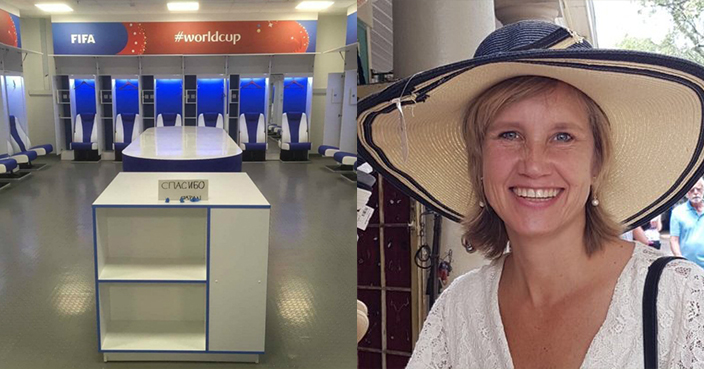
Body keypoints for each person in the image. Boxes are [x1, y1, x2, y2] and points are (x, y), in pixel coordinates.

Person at [358, 21, 704, 368]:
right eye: (509, 135)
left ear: (596, 163)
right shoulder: (457, 309)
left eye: (563, 136)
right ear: (479, 161)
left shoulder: (681, 300)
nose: (534, 165)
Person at [669, 178, 704, 268]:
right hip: (689, 266)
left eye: (699, 189)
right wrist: (680, 259)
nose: (695, 192)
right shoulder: (678, 212)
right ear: (686, 193)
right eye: (691, 190)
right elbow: (674, 240)